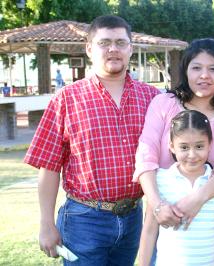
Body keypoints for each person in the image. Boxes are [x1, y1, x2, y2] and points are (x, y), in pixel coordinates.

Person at [24, 15, 159, 265]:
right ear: (89, 49)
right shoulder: (66, 99)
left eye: (120, 42)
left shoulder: (152, 98)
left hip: (134, 218)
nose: (113, 49)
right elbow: (49, 166)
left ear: (131, 48)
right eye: (104, 42)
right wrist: (45, 224)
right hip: (84, 219)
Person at [133, 38, 214, 230]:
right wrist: (157, 205)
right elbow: (146, 155)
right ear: (186, 70)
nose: (204, 76)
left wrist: (196, 200)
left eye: (212, 69)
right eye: (196, 68)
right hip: (161, 216)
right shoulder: (163, 104)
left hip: (208, 221)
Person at [139, 110, 214, 266]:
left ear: (210, 144)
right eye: (184, 147)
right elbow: (149, 231)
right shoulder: (160, 180)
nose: (192, 154)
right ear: (172, 147)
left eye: (199, 146)